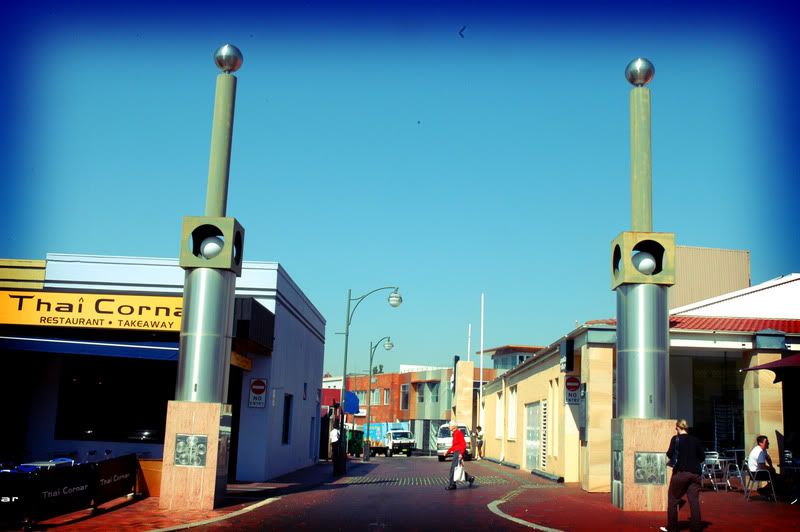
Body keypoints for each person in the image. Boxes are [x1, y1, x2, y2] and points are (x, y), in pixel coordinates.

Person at [663, 419, 705, 532]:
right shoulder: (696, 440)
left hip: (681, 473)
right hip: (695, 473)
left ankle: (672, 528)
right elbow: (702, 457)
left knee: (673, 500)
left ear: (677, 427)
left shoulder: (675, 439)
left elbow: (669, 455)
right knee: (694, 501)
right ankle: (696, 528)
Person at [445, 420, 475, 490]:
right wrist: (447, 452)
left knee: (453, 469)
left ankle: (452, 485)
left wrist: (461, 454)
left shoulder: (458, 433)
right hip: (456, 452)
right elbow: (454, 446)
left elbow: (463, 445)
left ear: (453, 426)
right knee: (457, 469)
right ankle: (470, 478)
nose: (449, 427)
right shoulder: (455, 433)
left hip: (458, 453)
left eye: (449, 425)